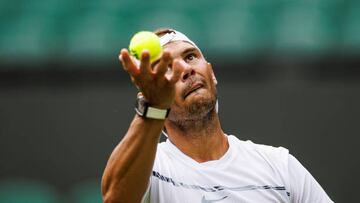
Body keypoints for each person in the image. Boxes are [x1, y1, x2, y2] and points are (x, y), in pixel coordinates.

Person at [101, 29, 334, 203]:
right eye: (167, 67)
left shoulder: (279, 166)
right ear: (150, 94)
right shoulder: (150, 169)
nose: (186, 68)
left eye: (191, 56)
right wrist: (153, 107)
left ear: (211, 73)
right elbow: (115, 199)